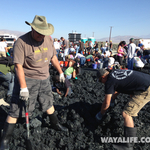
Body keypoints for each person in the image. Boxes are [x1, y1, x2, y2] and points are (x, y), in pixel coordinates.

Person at [0, 15, 68, 150]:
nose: (42, 35)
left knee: (48, 102)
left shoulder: (47, 40)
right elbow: (18, 66)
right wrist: (23, 88)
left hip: (45, 78)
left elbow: (53, 57)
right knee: (16, 109)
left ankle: (55, 124)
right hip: (28, 79)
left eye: (44, 33)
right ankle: (5, 140)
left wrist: (61, 72)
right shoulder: (22, 42)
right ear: (32, 28)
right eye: (39, 32)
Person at [96, 68, 150, 150]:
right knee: (131, 96)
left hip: (146, 89)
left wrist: (101, 114)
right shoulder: (114, 72)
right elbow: (118, 88)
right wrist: (113, 100)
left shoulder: (109, 81)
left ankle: (128, 145)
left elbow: (106, 104)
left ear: (103, 77)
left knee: (126, 114)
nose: (102, 83)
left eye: (100, 81)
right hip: (146, 80)